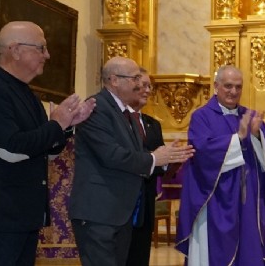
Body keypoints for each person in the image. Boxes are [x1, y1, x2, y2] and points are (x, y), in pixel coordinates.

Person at [0, 21, 96, 265]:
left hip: (25, 214)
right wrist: (56, 125)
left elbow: (47, 151)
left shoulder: (28, 94)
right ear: (15, 50)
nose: (47, 54)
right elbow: (11, 149)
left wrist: (66, 127)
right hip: (1, 215)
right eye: (41, 48)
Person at [69, 57, 193, 266]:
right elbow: (111, 155)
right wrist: (155, 158)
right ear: (114, 80)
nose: (140, 84)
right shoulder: (96, 108)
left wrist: (165, 158)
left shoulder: (126, 112)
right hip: (99, 212)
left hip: (121, 213)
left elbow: (137, 153)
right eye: (135, 78)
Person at [175, 65, 265, 265]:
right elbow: (203, 152)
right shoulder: (201, 116)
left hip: (247, 200)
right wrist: (238, 138)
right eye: (228, 86)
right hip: (215, 199)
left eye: (238, 87)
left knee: (248, 248)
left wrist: (257, 135)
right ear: (216, 86)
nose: (233, 92)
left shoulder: (250, 116)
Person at [125, 68, 191, 266]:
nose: (146, 90)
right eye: (142, 85)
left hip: (146, 203)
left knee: (140, 257)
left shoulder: (153, 124)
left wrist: (174, 160)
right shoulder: (117, 120)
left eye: (149, 86)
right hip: (122, 202)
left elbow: (160, 165)